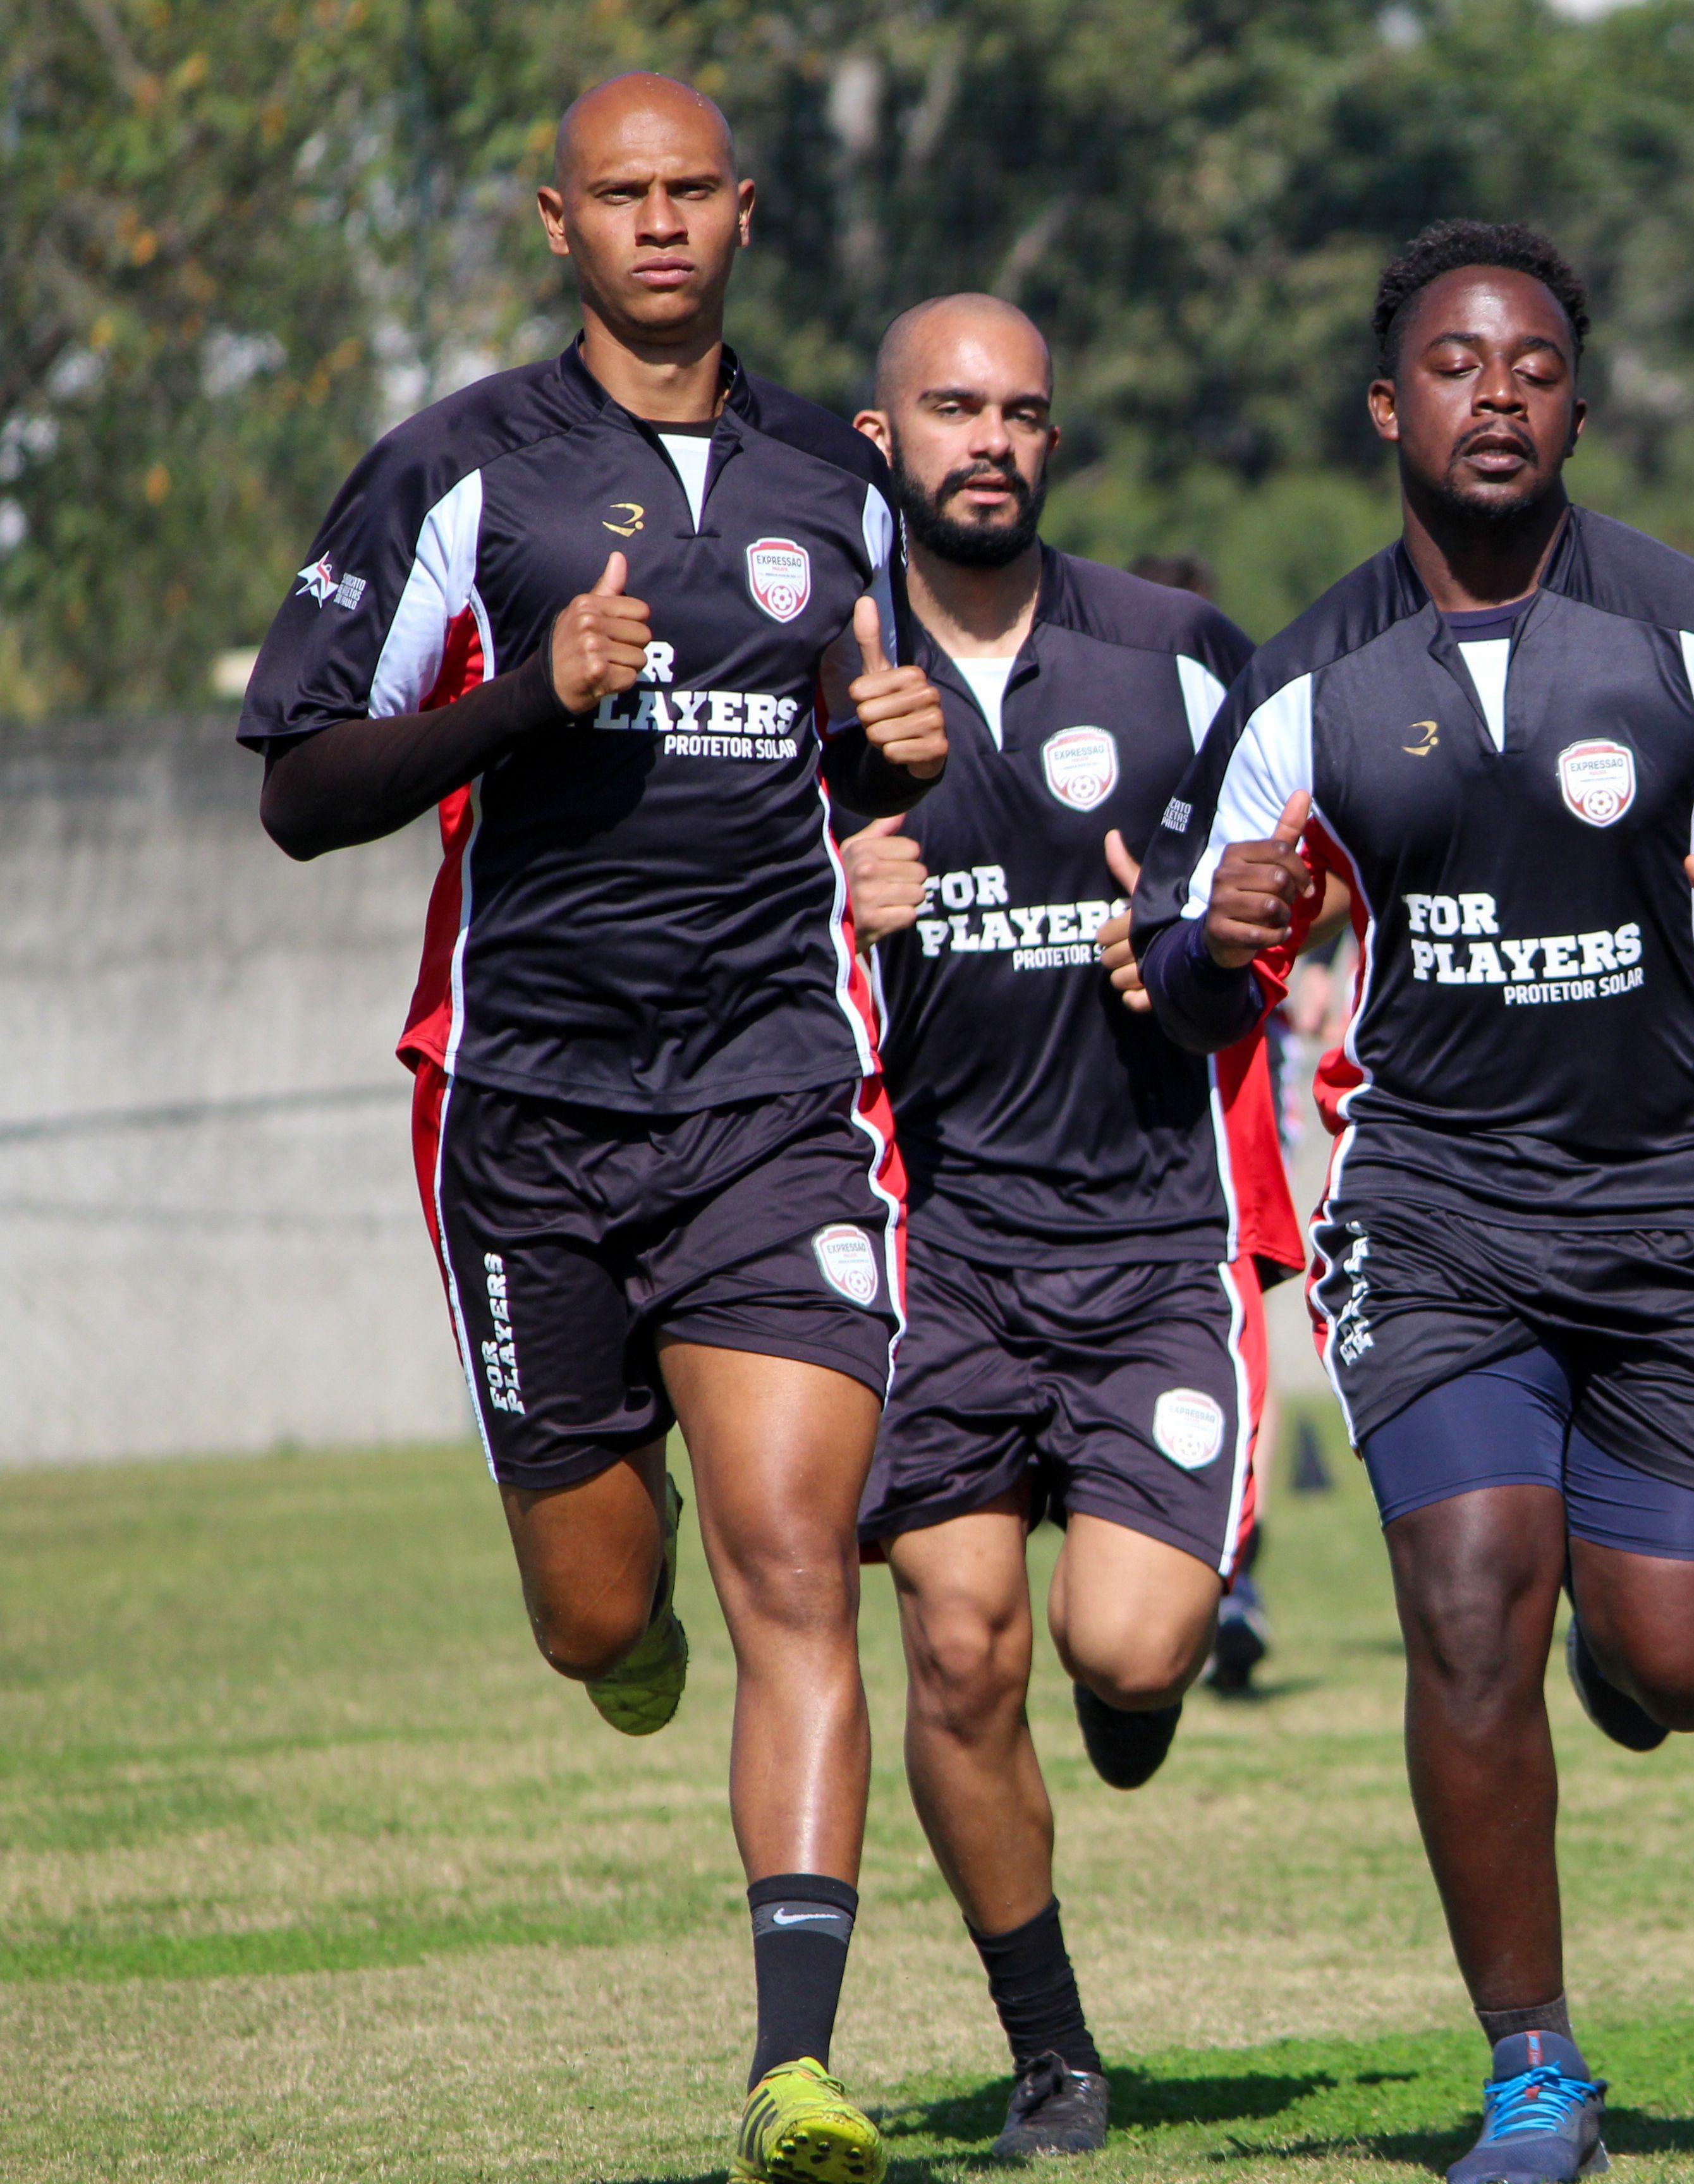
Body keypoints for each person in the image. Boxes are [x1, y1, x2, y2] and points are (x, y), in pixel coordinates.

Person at [1128, 219, 1694, 2183]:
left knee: (1688, 1667)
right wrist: (1210, 930)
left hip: (1672, 1209)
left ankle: (1625, 1637)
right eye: (1459, 366)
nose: (1501, 396)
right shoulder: (1305, 678)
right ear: (1389, 404)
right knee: (1464, 1611)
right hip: (1435, 1204)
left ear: (1579, 398)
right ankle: (1534, 2071)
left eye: (1537, 366)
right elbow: (1177, 940)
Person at [239, 73, 944, 2184]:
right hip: (525, 1111)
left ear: (746, 211)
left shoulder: (843, 473)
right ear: (561, 220)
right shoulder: (459, 468)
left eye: (691, 194)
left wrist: (892, 762)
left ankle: (793, 2070)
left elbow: (871, 745)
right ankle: (609, 1620)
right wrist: (524, 697)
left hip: (775, 1102)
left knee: (798, 1564)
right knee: (597, 1617)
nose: (659, 226)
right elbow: (299, 788)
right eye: (618, 196)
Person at [828, 293, 1298, 2159]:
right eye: (952, 407)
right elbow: (696, 924)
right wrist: (822, 896)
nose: (992, 439)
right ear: (884, 440)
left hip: (1150, 1247)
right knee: (958, 1651)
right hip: (930, 1255)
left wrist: (1188, 942)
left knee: (1125, 1651)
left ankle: (1140, 1691)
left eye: (1022, 407)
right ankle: (1055, 2053)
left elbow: (1289, 902)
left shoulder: (1182, 655)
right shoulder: (816, 677)